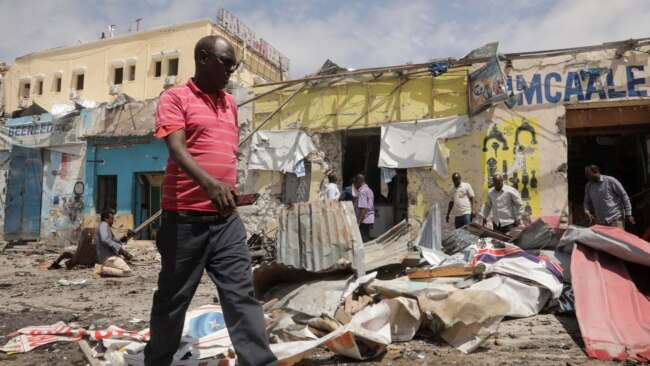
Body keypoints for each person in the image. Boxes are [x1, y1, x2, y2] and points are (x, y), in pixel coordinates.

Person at [144, 36, 276, 366]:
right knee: (172, 302)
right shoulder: (174, 98)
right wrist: (210, 184)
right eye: (226, 62)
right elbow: (176, 148)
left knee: (241, 297)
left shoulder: (230, 103)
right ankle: (157, 361)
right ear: (203, 58)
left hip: (226, 221)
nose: (232, 70)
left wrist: (225, 189)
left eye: (234, 64)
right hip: (184, 222)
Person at [584, 164, 634, 228]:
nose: (587, 176)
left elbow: (624, 196)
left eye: (588, 174)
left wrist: (628, 213)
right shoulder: (589, 186)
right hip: (601, 222)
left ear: (595, 172)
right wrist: (587, 211)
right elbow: (586, 202)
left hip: (615, 218)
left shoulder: (610, 181)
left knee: (616, 238)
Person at [94, 209, 133, 277]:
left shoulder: (105, 227)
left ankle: (104, 269)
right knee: (128, 272)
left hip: (108, 258)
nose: (113, 222)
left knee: (125, 264)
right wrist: (118, 247)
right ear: (106, 218)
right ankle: (102, 269)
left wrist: (126, 237)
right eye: (111, 219)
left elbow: (114, 240)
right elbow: (105, 239)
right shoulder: (104, 225)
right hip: (108, 258)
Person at [353, 174, 375, 242]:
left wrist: (357, 223)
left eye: (355, 182)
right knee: (365, 240)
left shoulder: (362, 192)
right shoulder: (369, 190)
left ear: (358, 181)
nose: (354, 185)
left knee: (363, 242)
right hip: (368, 219)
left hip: (364, 220)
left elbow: (363, 209)